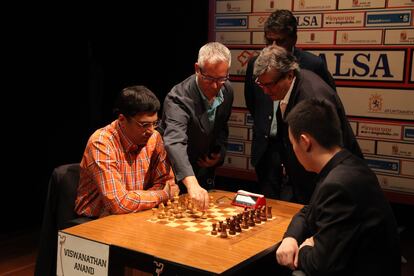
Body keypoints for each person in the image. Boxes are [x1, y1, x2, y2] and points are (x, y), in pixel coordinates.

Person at [276, 98, 400, 275]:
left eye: (292, 143)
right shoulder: (345, 164)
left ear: (305, 142)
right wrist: (291, 237)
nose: (293, 149)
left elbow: (319, 265)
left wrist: (305, 248)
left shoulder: (338, 184)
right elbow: (308, 211)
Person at [244, 9, 336, 199]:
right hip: (266, 150)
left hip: (300, 151)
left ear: (294, 38)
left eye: (281, 41)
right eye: (269, 41)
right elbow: (253, 102)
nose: (274, 47)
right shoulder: (256, 63)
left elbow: (326, 109)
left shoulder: (313, 65)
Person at [253, 45, 362, 204]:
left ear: (289, 75)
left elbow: (327, 156)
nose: (265, 91)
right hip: (305, 184)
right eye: (260, 84)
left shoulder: (311, 99)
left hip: (334, 188)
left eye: (270, 85)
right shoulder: (289, 87)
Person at [75, 85, 178, 217]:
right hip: (94, 221)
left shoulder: (154, 138)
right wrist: (162, 195)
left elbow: (167, 183)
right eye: (144, 125)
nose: (151, 130)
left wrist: (134, 200)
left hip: (134, 214)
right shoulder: (101, 143)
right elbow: (118, 203)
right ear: (122, 120)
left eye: (155, 123)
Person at [160, 42, 234, 210]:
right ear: (197, 68)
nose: (215, 86)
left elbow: (222, 125)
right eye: (209, 79)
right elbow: (174, 141)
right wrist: (191, 182)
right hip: (178, 174)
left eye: (221, 79)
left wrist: (220, 152)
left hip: (204, 170)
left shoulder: (227, 90)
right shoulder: (178, 98)